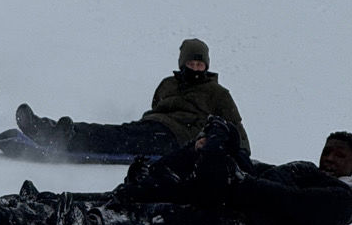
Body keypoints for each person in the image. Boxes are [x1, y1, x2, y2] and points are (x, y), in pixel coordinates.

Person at [0, 119, 352, 225]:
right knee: (112, 197)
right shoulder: (302, 168)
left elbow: (289, 202)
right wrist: (222, 151)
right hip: (220, 203)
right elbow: (261, 173)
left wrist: (236, 179)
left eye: (340, 156)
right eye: (328, 150)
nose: (330, 158)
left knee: (104, 216)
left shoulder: (343, 199)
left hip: (231, 223)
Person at [15, 38, 249, 158]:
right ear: (183, 63)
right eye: (191, 63)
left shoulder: (218, 93)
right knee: (119, 133)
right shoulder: (168, 84)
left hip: (179, 138)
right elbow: (156, 108)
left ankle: (64, 137)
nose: (196, 68)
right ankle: (51, 129)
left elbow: (235, 127)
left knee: (119, 139)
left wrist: (243, 155)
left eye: (200, 64)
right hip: (152, 126)